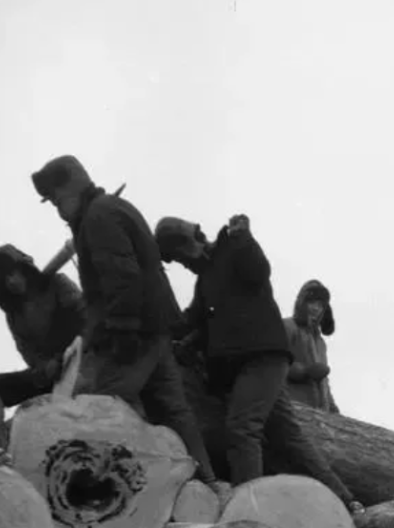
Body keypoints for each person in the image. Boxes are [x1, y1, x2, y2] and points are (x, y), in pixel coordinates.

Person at [29, 155, 217, 484]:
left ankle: (124, 490)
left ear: (72, 188)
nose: (58, 211)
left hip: (136, 332)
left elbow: (122, 275)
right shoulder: (111, 209)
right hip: (155, 327)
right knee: (173, 411)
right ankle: (205, 483)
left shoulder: (98, 216)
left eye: (58, 201)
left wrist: (123, 330)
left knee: (108, 407)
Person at [154, 214, 361, 512]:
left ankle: (249, 509)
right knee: (290, 438)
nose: (185, 265)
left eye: (181, 258)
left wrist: (245, 238)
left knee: (242, 429)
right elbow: (194, 322)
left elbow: (259, 271)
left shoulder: (232, 248)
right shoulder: (206, 281)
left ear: (190, 242)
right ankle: (348, 500)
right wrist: (173, 336)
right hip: (249, 365)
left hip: (261, 358)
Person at [0, 244, 85, 406]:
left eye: (12, 273)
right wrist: (45, 367)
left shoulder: (57, 283)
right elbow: (29, 352)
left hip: (82, 354)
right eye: (4, 280)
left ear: (23, 269)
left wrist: (65, 354)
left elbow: (84, 317)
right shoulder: (15, 316)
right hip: (53, 374)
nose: (11, 282)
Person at [284, 280, 338, 412]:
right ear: (302, 303)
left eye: (320, 305)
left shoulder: (320, 343)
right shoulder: (288, 327)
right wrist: (304, 372)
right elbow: (274, 364)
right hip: (291, 407)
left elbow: (324, 381)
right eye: (311, 302)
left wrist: (333, 410)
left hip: (317, 414)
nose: (316, 308)